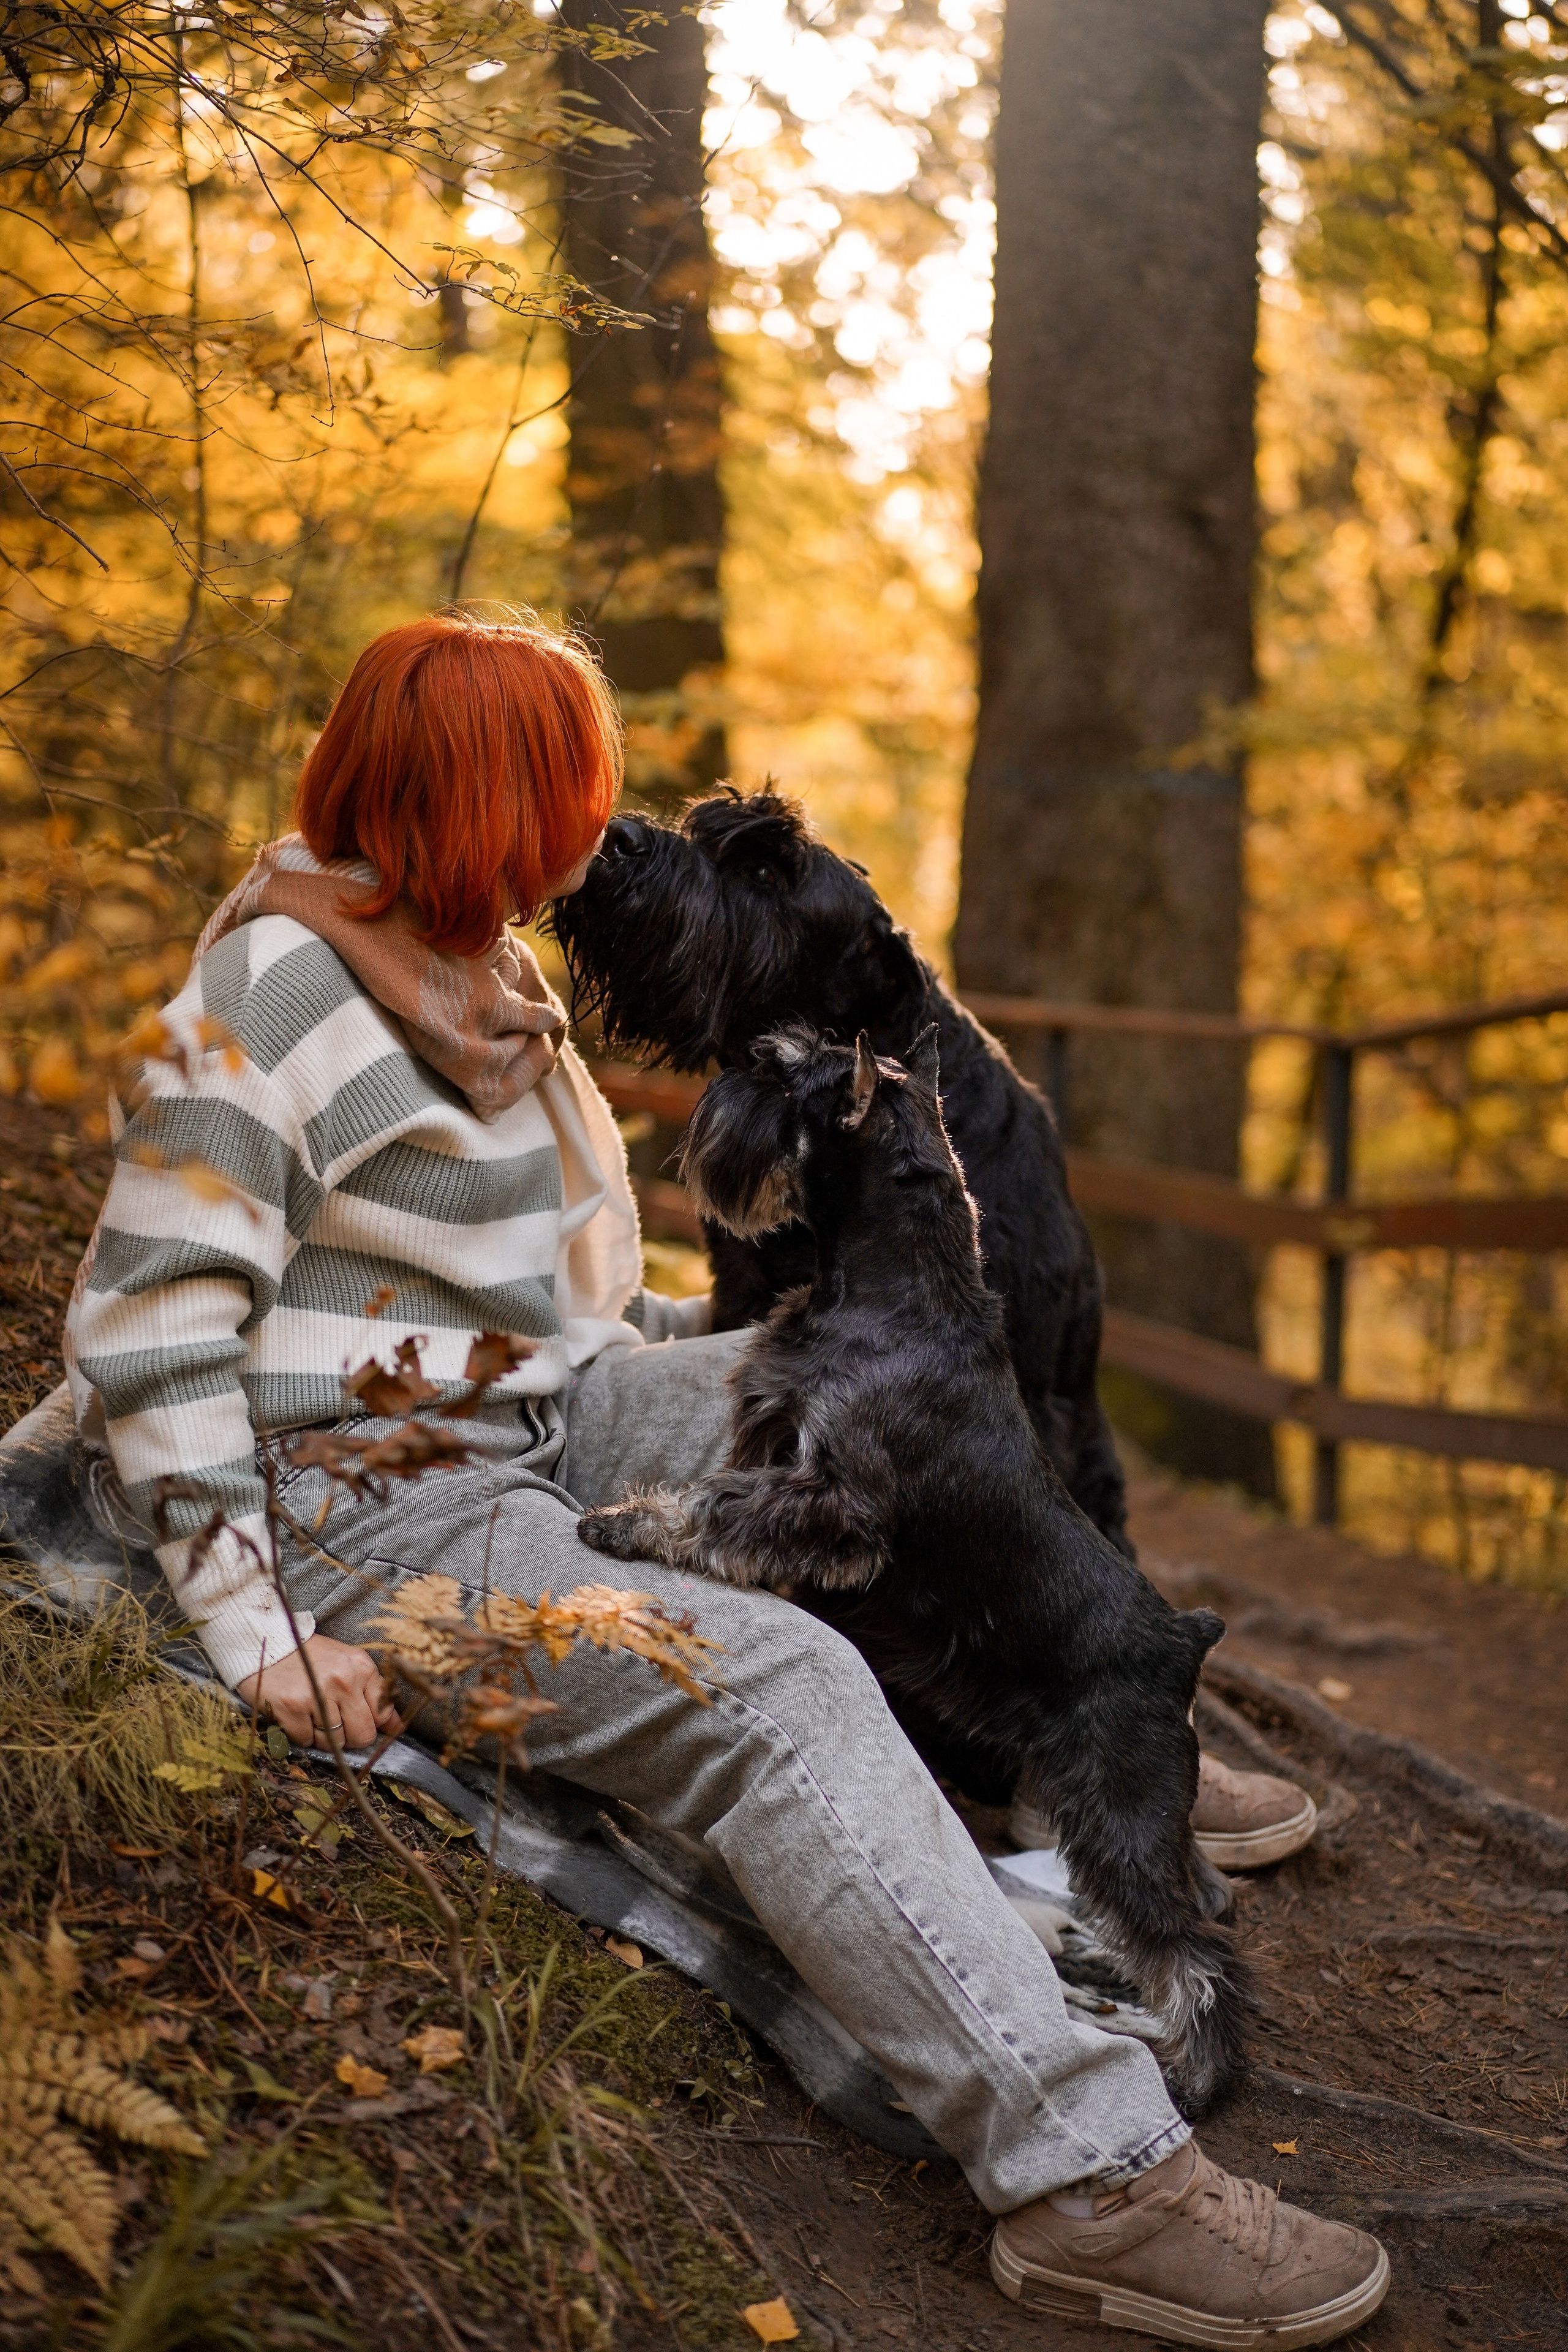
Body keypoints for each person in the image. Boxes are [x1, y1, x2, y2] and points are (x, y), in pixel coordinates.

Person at [64, 612, 1389, 2348]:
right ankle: (1092, 2183)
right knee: (774, 1680)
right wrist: (256, 1635)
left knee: (895, 1395)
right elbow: (148, 1328)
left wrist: (752, 1330)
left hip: (527, 1419)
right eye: (563, 799)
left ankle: (1107, 1719)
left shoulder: (469, 968)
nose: (587, 847)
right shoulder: (272, 994)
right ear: (475, 799)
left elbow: (521, 1301)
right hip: (357, 1504)